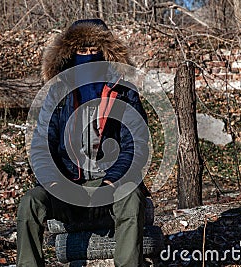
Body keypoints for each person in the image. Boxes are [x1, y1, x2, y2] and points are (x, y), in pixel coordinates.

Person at [17, 19, 151, 267]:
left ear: (106, 52)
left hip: (110, 181)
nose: (88, 56)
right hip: (67, 184)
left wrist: (112, 181)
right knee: (30, 202)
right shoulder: (57, 92)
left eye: (94, 50)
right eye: (82, 50)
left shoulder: (122, 90)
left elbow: (137, 143)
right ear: (69, 54)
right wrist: (55, 182)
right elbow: (41, 146)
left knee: (131, 197)